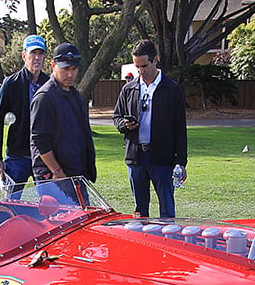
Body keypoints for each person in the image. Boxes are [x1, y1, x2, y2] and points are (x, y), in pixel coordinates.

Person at [112, 39, 188, 219]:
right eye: (137, 66)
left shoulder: (172, 89)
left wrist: (181, 162)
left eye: (144, 65)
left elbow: (180, 128)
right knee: (140, 211)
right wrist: (125, 124)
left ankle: (169, 243)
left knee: (167, 210)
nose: (140, 71)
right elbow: (117, 117)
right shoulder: (129, 89)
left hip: (162, 158)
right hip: (136, 157)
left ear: (156, 60)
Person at [30, 42, 97, 186]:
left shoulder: (75, 95)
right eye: (65, 68)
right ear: (53, 65)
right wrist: (56, 171)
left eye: (74, 69)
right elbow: (39, 140)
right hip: (54, 177)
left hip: (77, 173)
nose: (70, 74)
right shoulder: (44, 97)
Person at [0, 34, 49, 194]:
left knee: (51, 205)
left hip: (43, 156)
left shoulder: (50, 84)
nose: (37, 58)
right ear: (24, 56)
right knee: (11, 202)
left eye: (40, 54)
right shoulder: (11, 83)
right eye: (33, 54)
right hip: (17, 156)